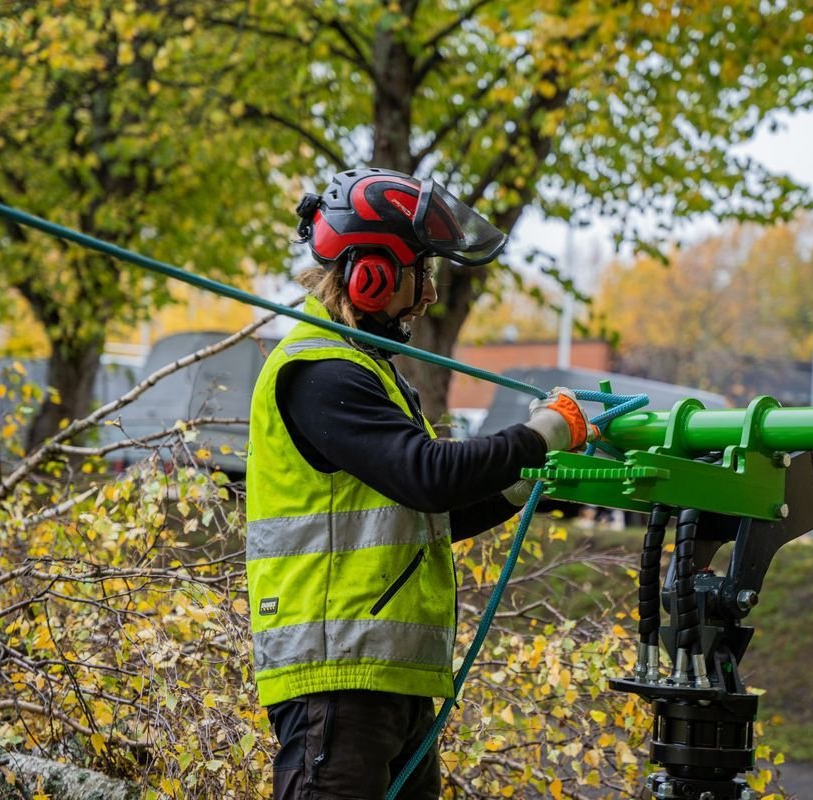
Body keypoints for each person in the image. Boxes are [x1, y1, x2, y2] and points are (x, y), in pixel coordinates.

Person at [245, 167, 596, 800]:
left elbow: (429, 514)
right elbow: (428, 476)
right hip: (339, 677)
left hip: (382, 680)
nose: (431, 293)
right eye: (423, 271)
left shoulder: (365, 372)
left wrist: (523, 483)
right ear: (371, 274)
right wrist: (540, 432)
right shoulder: (322, 371)